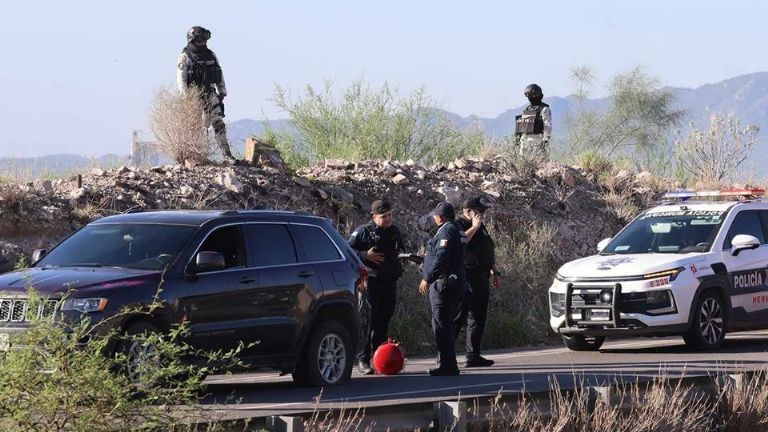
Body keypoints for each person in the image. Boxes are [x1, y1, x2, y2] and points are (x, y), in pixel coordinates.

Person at [348, 200, 406, 375]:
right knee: (368, 321)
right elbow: (346, 251)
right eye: (383, 216)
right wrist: (365, 255)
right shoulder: (363, 232)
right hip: (370, 283)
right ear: (374, 217)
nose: (388, 219)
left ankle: (379, 358)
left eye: (390, 215)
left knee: (383, 321)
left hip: (389, 282)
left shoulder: (395, 232)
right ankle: (363, 359)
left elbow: (401, 251)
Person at [419, 202, 468, 376]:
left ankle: (447, 365)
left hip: (444, 284)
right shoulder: (458, 229)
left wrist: (427, 278)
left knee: (441, 325)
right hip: (454, 282)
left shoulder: (447, 231)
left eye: (435, 216)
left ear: (440, 217)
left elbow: (441, 257)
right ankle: (448, 363)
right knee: (446, 323)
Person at [453, 196, 502, 367]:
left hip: (482, 277)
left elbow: (487, 250)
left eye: (483, 212)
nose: (482, 214)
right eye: (479, 211)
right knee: (458, 318)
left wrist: (495, 272)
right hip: (466, 278)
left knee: (478, 318)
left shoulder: (481, 226)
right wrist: (474, 227)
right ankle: (444, 356)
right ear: (468, 211)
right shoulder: (458, 226)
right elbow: (459, 244)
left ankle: (473, 355)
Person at [177, 26, 236, 163]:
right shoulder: (185, 56)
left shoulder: (210, 55)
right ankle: (196, 156)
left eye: (205, 38)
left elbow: (219, 73)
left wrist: (222, 90)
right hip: (193, 95)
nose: (204, 41)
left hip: (209, 93)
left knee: (218, 123)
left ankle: (227, 154)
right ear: (192, 39)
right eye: (200, 38)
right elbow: (181, 79)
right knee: (196, 127)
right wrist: (186, 97)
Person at [515, 83, 552, 161]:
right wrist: (518, 138)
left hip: (537, 139)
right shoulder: (528, 109)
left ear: (537, 95)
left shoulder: (544, 109)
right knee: (523, 161)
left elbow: (547, 124)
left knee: (540, 161)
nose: (530, 98)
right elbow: (522, 123)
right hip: (524, 139)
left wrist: (546, 140)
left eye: (531, 96)